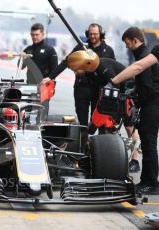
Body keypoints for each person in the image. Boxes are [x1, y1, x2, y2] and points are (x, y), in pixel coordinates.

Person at [112, 35, 159, 195]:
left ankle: (152, 182)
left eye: (127, 42)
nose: (126, 46)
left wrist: (114, 80)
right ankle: (147, 181)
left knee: (149, 141)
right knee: (147, 141)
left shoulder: (149, 53)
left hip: (154, 102)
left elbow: (139, 67)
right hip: (153, 102)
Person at [42, 23, 115, 126]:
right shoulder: (81, 47)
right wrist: (51, 77)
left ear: (101, 34)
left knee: (96, 122)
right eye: (90, 34)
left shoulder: (108, 51)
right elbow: (66, 62)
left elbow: (113, 70)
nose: (92, 36)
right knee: (82, 122)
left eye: (95, 34)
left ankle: (93, 133)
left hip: (99, 89)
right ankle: (84, 138)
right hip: (82, 88)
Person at [121, 27, 148, 173]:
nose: (126, 47)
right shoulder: (139, 55)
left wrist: (137, 102)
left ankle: (136, 161)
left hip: (146, 104)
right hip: (138, 99)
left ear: (135, 40)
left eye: (128, 43)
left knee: (136, 131)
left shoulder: (145, 56)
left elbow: (146, 83)